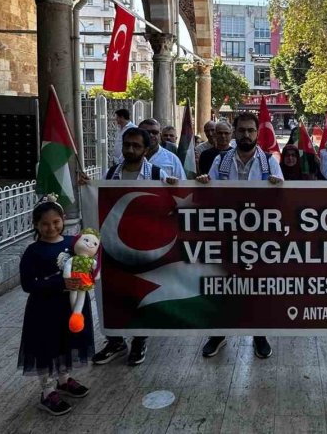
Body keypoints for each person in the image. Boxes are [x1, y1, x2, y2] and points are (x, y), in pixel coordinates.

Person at [87, 128, 177, 368]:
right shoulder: (111, 174)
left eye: (136, 146)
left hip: (145, 247)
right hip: (114, 244)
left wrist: (175, 186)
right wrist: (88, 187)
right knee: (114, 293)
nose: (130, 149)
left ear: (146, 149)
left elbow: (171, 205)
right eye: (127, 144)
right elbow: (99, 201)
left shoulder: (157, 174)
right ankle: (115, 341)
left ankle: (139, 340)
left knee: (140, 294)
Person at [196, 112, 283, 360]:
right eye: (242, 130)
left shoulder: (269, 162)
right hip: (227, 235)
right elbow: (208, 196)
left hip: (258, 239)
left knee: (257, 289)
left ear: (257, 133)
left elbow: (283, 201)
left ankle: (259, 335)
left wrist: (278, 188)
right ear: (235, 132)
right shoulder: (221, 160)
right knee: (223, 286)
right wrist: (204, 182)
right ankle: (218, 334)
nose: (246, 135)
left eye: (250, 130)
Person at [18, 196, 93, 416]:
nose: (51, 228)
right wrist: (60, 283)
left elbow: (86, 262)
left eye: (55, 222)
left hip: (70, 307)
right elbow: (28, 284)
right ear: (36, 225)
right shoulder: (33, 252)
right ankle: (47, 390)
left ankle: (64, 379)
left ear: (63, 219)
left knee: (66, 343)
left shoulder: (73, 244)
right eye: (45, 224)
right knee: (46, 347)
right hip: (44, 310)